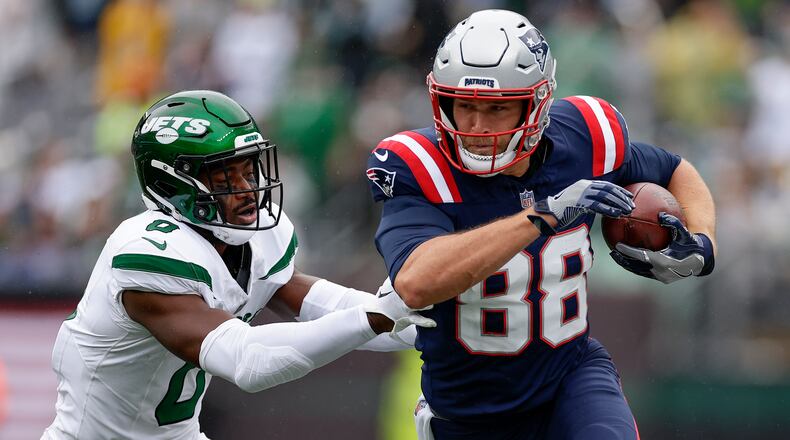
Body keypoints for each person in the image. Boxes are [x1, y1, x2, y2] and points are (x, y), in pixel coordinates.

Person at [365, 9, 716, 440]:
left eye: (496, 110)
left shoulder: (586, 137)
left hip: (571, 378)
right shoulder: (419, 167)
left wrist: (702, 243)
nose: (476, 127)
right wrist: (542, 215)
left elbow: (676, 170)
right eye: (464, 106)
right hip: (469, 411)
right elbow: (416, 281)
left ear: (537, 102)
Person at [42, 90, 435, 440]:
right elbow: (248, 361)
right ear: (170, 184)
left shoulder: (254, 239)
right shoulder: (149, 252)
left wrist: (412, 318)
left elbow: (318, 303)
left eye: (248, 169)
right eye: (225, 176)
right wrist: (376, 314)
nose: (248, 189)